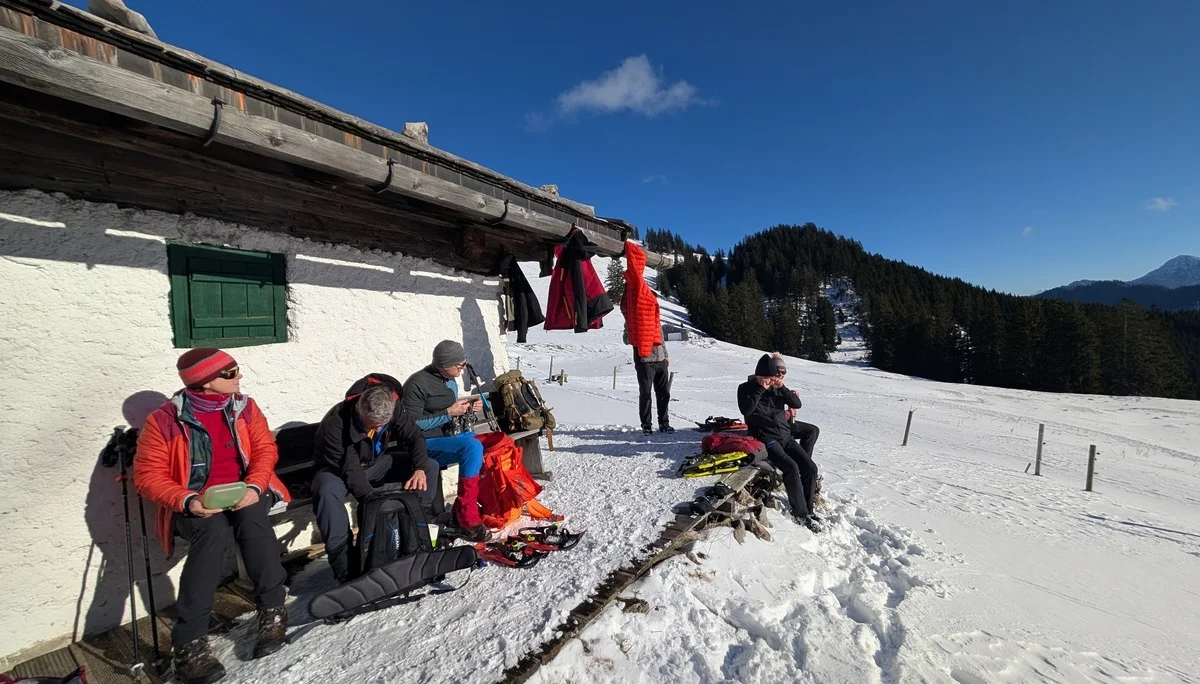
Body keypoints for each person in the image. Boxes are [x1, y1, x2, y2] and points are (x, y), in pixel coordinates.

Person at [133, 348, 292, 684]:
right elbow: (148, 474)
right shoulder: (163, 421)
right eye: (231, 373)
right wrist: (188, 500)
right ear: (204, 382)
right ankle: (189, 642)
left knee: (253, 521)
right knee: (214, 533)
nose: (239, 377)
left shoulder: (245, 408)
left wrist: (254, 486)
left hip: (245, 489)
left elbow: (265, 449)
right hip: (193, 501)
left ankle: (273, 610)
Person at [311, 373, 439, 583]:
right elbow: (350, 468)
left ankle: (417, 533)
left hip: (374, 463)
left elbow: (414, 435)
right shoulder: (336, 424)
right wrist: (374, 504)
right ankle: (344, 564)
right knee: (326, 490)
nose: (377, 430)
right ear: (359, 409)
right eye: (371, 425)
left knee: (430, 467)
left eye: (382, 425)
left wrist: (419, 468)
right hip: (336, 469)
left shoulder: (394, 405)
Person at [403, 340, 493, 543]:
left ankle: (484, 501)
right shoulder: (417, 384)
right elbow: (411, 424)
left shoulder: (449, 379)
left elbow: (448, 409)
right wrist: (448, 413)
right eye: (459, 365)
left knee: (487, 442)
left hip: (446, 437)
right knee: (471, 447)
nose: (462, 369)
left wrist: (468, 407)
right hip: (422, 443)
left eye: (463, 363)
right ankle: (467, 515)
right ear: (444, 366)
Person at [736, 352, 822, 532]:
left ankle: (808, 509)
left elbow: (796, 403)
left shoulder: (777, 389)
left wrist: (782, 387)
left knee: (810, 468)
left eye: (771, 378)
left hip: (786, 436)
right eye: (766, 378)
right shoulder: (745, 388)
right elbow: (747, 409)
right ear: (759, 376)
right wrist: (761, 388)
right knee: (791, 467)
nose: (769, 381)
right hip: (766, 439)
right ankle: (800, 514)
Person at [621, 241, 674, 436]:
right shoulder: (632, 318)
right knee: (646, 394)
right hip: (644, 360)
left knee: (664, 394)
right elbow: (627, 340)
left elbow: (660, 336)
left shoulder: (654, 317)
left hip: (660, 359)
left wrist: (666, 355)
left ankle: (664, 423)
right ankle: (646, 426)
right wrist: (631, 333)